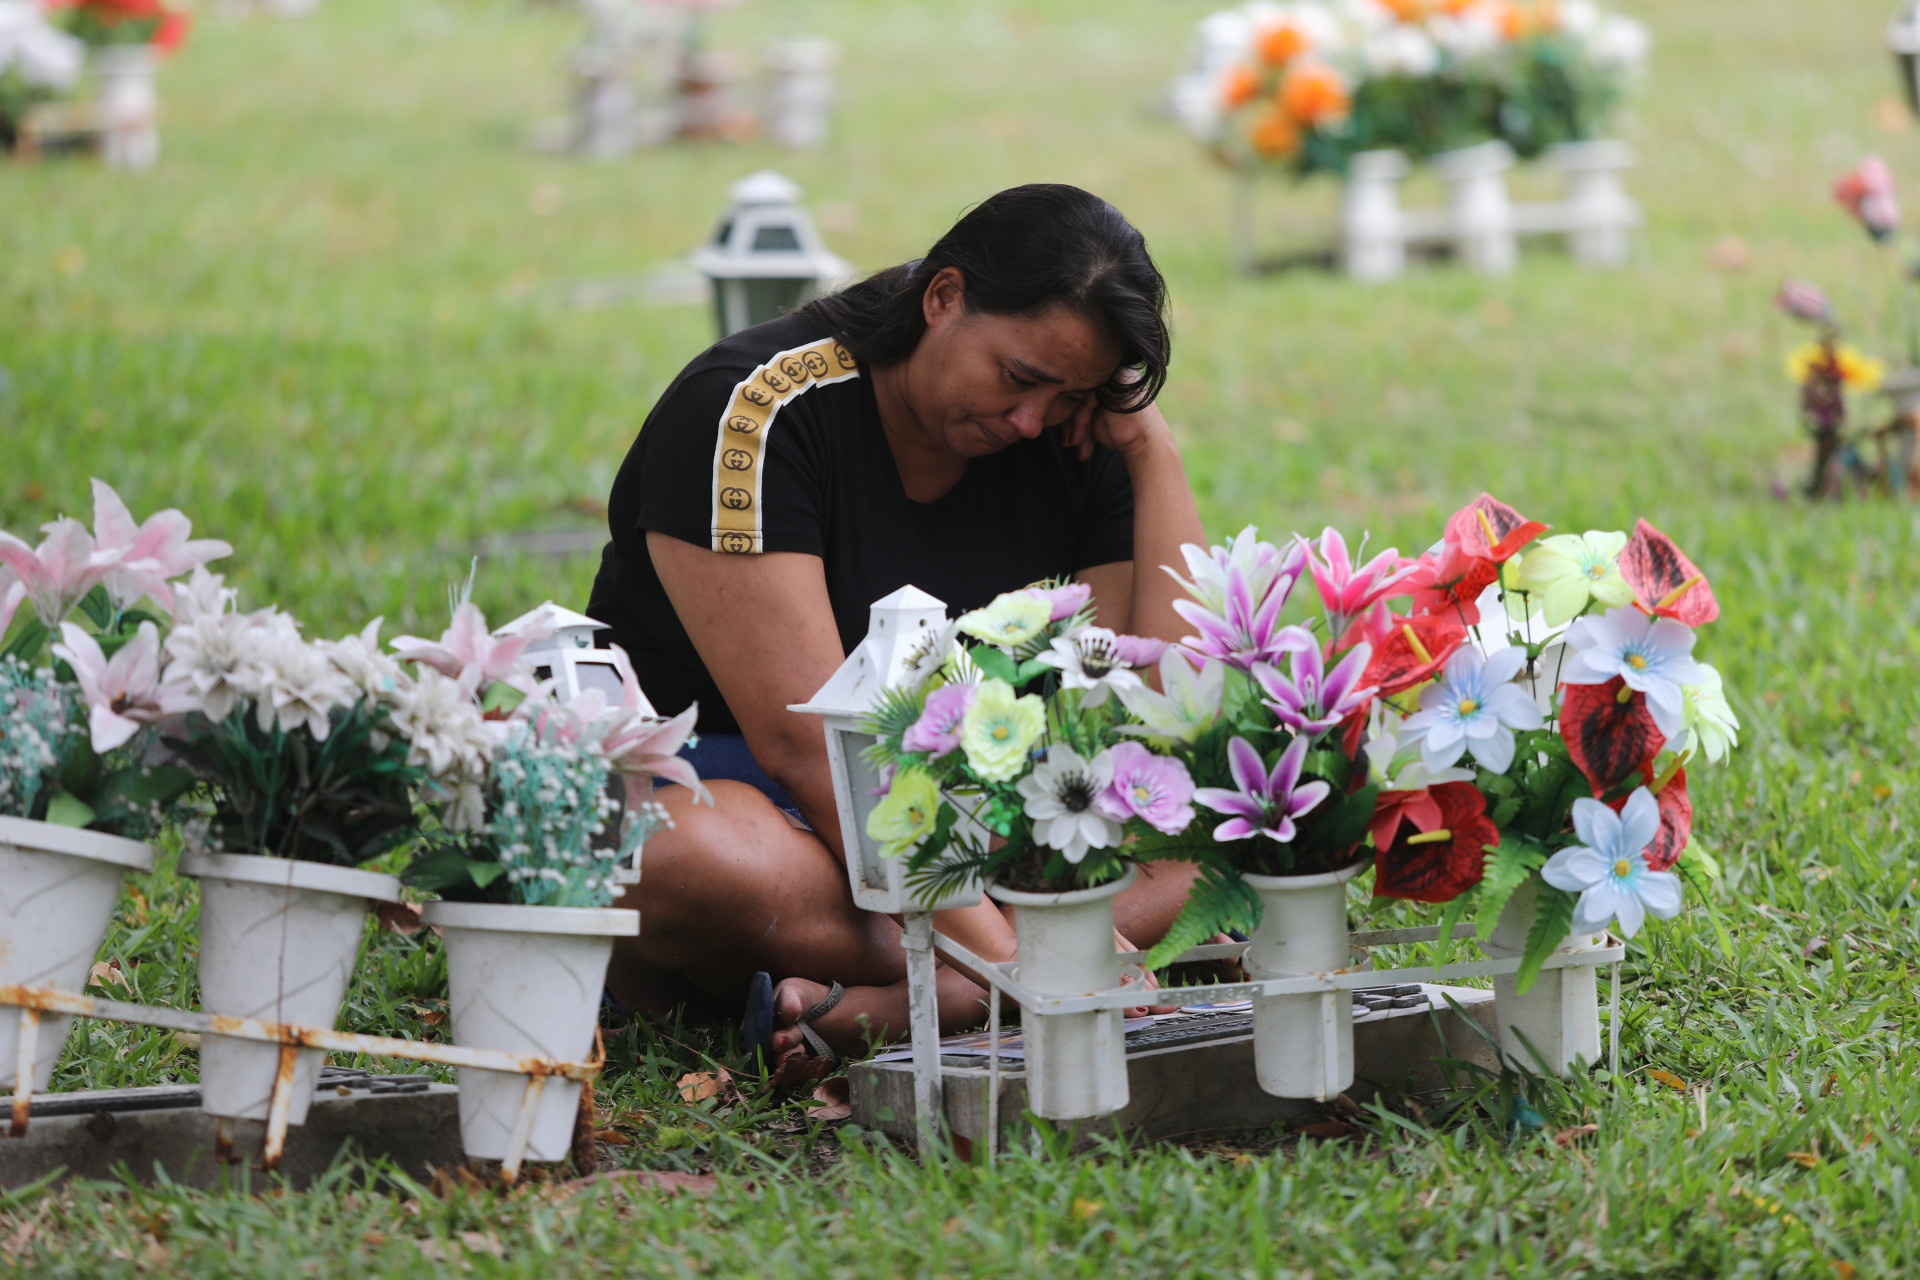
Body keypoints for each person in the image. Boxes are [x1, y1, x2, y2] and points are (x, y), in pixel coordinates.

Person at [587, 183, 1209, 1078]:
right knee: (678, 857)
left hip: (953, 813)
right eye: (1020, 378)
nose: (1031, 420)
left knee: (1223, 821)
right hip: (748, 799)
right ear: (944, 298)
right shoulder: (753, 411)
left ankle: (917, 998)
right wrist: (1015, 963)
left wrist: (1152, 452)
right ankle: (1013, 968)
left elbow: (1166, 709)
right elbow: (808, 746)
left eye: (1069, 395)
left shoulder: (1070, 428)